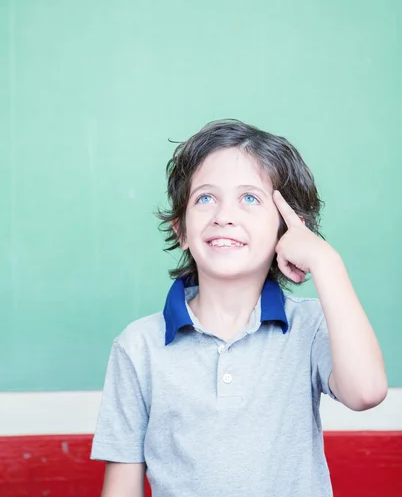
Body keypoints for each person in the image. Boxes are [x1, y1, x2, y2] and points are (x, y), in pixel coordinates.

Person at [91, 119, 388, 497]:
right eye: (205, 198)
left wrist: (326, 262)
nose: (223, 216)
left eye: (249, 198)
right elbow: (122, 487)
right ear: (180, 229)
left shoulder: (309, 326)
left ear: (286, 229)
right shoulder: (138, 346)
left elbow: (366, 392)